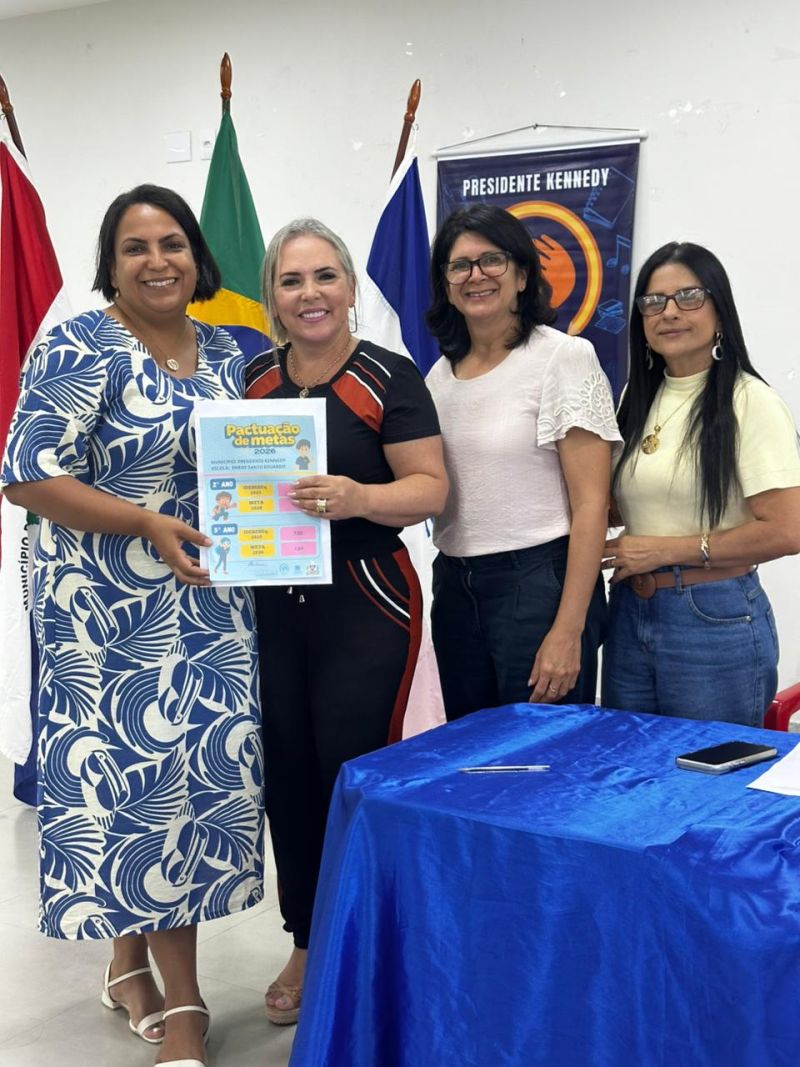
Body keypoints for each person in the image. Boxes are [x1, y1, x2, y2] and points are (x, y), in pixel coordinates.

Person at [1, 184, 263, 1067]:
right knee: (143, 795)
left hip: (212, 608)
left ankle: (125, 966)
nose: (158, 261)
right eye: (135, 248)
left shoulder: (229, 351)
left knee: (198, 788)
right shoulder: (79, 343)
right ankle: (186, 1001)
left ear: (198, 256)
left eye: (172, 243)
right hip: (107, 618)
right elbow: (27, 473)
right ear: (110, 266)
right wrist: (144, 521)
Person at [246, 217, 447, 1025]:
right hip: (272, 604)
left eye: (324, 275)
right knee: (288, 778)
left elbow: (430, 488)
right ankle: (307, 939)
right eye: (291, 280)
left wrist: (360, 497)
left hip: (367, 598)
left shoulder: (388, 375)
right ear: (272, 296)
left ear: (351, 286)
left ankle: (372, 941)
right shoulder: (252, 381)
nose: (310, 293)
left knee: (356, 774)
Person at [425, 204, 620, 719]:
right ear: (446, 285)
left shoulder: (562, 358)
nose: (476, 276)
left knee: (541, 752)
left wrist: (568, 630)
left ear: (522, 275)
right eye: (459, 266)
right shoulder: (438, 377)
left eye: (492, 260)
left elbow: (592, 505)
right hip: (455, 586)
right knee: (471, 750)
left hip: (538, 585)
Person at [601, 241, 800, 724]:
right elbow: (629, 504)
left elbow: (787, 530)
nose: (669, 312)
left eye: (688, 297)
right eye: (653, 301)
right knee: (630, 763)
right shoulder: (636, 397)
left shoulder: (750, 400)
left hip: (713, 616)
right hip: (629, 610)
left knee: (708, 768)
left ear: (719, 309)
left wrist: (664, 550)